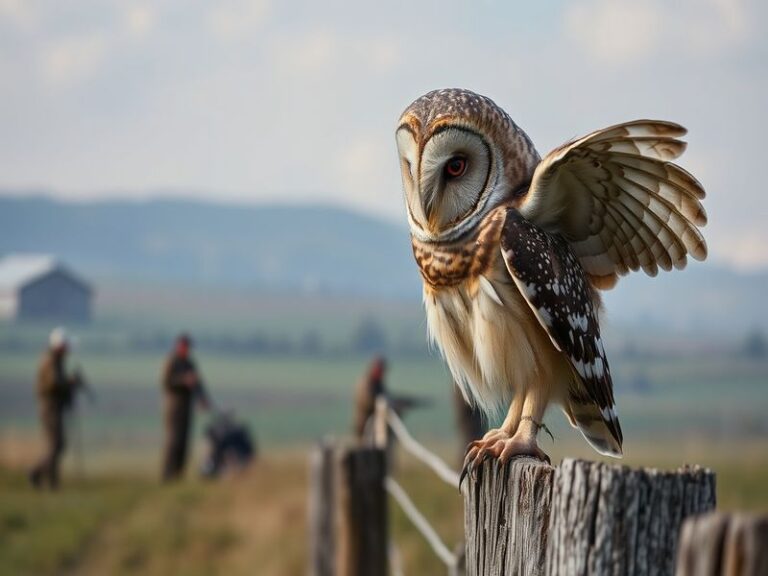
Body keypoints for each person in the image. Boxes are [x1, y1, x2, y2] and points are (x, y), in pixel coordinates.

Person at [29, 327, 82, 490]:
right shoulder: (51, 361)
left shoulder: (55, 360)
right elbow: (54, 384)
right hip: (50, 408)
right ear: (60, 346)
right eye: (66, 347)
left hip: (53, 407)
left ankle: (51, 482)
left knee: (57, 445)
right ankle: (38, 474)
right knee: (56, 445)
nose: (68, 350)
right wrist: (70, 383)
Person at [161, 333, 210, 481]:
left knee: (184, 442)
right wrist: (183, 381)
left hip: (186, 408)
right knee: (173, 441)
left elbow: (198, 383)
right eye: (185, 347)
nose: (187, 350)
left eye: (188, 347)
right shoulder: (172, 362)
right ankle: (167, 475)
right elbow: (166, 383)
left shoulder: (189, 363)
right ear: (178, 346)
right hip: (174, 409)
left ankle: (179, 474)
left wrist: (202, 398)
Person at [353, 356, 387, 441]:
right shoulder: (365, 383)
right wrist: (381, 404)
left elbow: (384, 395)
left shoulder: (378, 383)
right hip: (364, 424)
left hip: (376, 425)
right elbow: (365, 402)